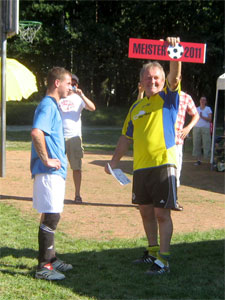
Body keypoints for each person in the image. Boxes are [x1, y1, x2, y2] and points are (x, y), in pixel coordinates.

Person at [105, 37, 182, 275]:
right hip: (140, 168)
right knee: (145, 211)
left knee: (161, 214)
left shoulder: (168, 99)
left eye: (156, 77)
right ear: (141, 82)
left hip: (163, 165)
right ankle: (151, 252)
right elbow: (125, 138)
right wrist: (114, 163)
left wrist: (174, 51)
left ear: (163, 80)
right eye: (148, 78)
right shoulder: (135, 108)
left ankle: (164, 260)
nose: (152, 81)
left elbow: (175, 74)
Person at [30, 67, 73, 281]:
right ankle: (43, 267)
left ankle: (52, 259)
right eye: (68, 84)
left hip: (54, 172)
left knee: (51, 214)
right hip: (49, 171)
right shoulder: (48, 105)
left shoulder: (52, 106)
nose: (71, 88)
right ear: (57, 83)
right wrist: (46, 159)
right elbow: (37, 132)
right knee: (52, 216)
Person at [59, 74, 96, 203]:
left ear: (77, 86)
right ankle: (58, 193)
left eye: (74, 84)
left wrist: (82, 95)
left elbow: (92, 108)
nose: (71, 87)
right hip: (59, 137)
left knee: (76, 167)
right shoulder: (59, 97)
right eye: (69, 83)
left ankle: (77, 194)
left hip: (74, 137)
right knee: (58, 167)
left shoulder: (78, 98)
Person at [174, 91, 199, 210]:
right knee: (159, 171)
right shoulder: (161, 94)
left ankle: (173, 199)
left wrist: (188, 128)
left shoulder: (185, 97)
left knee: (176, 170)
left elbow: (196, 115)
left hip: (177, 141)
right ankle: (157, 201)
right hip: (160, 141)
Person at [192, 96, 212, 165]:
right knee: (197, 144)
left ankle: (208, 160)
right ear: (200, 101)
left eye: (204, 100)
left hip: (205, 128)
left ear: (206, 102)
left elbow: (210, 119)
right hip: (196, 128)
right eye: (201, 100)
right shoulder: (196, 109)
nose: (203, 101)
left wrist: (202, 116)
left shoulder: (208, 109)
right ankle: (198, 160)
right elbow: (194, 118)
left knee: (206, 143)